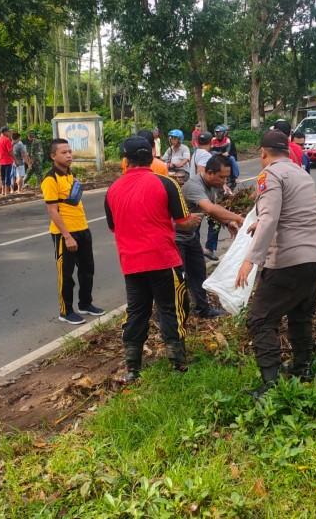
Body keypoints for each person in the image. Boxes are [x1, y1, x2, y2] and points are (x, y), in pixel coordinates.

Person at [235, 130, 316, 397]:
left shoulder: (270, 175)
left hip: (288, 260)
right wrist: (259, 224)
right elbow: (295, 212)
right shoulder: (301, 173)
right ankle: (302, 367)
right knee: (300, 314)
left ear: (263, 153)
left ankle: (271, 385)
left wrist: (250, 260)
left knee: (260, 319)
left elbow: (271, 217)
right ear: (287, 151)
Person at [104, 136, 203, 383]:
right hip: (163, 260)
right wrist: (194, 220)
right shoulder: (167, 183)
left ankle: (132, 367)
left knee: (137, 311)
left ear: (125, 160)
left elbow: (113, 227)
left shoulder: (112, 190)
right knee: (171, 308)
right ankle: (178, 362)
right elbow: (184, 223)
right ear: (151, 157)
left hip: (131, 263)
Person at [42, 139, 105, 325]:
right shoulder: (50, 179)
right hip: (65, 234)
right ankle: (66, 311)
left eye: (69, 151)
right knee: (66, 275)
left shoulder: (71, 174)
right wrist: (67, 236)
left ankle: (85, 304)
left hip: (83, 229)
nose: (69, 155)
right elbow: (52, 211)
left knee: (87, 270)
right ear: (53, 156)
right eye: (64, 152)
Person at [179, 155, 244, 318]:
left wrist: (228, 223)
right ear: (209, 172)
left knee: (198, 272)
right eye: (221, 177)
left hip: (190, 236)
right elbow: (210, 208)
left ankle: (202, 309)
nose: (224, 181)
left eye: (226, 177)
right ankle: (174, 313)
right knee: (178, 277)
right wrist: (238, 218)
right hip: (175, 238)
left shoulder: (213, 185)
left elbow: (212, 210)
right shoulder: (194, 186)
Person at [212, 125, 239, 189]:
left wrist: (219, 153)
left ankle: (235, 177)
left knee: (232, 158)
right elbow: (211, 150)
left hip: (225, 157)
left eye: (220, 133)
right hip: (216, 157)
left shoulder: (227, 140)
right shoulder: (213, 140)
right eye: (217, 132)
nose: (218, 134)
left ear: (224, 133)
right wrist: (219, 153)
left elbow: (227, 152)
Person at [0, 125, 14, 196]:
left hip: (0, 161)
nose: (9, 133)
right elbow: (10, 151)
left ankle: (3, 191)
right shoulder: (7, 140)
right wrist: (15, 159)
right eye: (8, 131)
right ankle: (7, 192)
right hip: (8, 161)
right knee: (8, 176)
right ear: (4, 132)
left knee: (2, 176)